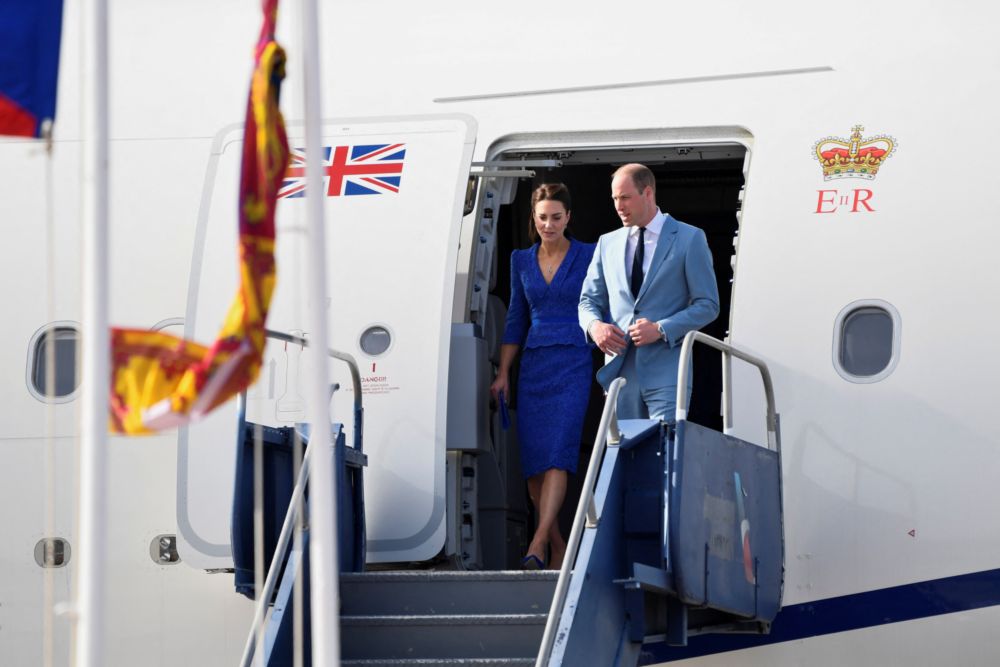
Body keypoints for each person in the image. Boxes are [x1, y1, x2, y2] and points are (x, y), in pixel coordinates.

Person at [490, 183, 596, 570]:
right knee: (534, 463)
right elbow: (516, 319)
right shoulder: (521, 259)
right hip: (533, 365)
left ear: (568, 217)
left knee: (557, 456)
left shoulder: (588, 255)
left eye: (556, 217)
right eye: (542, 217)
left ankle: (537, 540)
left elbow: (600, 302)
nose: (549, 224)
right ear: (534, 219)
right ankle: (557, 547)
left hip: (573, 360)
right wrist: (503, 373)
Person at [578, 163, 719, 420]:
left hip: (667, 371)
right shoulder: (607, 243)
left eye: (625, 197)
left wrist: (661, 328)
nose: (619, 206)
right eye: (614, 199)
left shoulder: (689, 238)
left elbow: (708, 304)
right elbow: (587, 301)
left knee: (663, 454)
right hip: (619, 374)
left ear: (648, 193)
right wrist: (595, 327)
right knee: (625, 456)